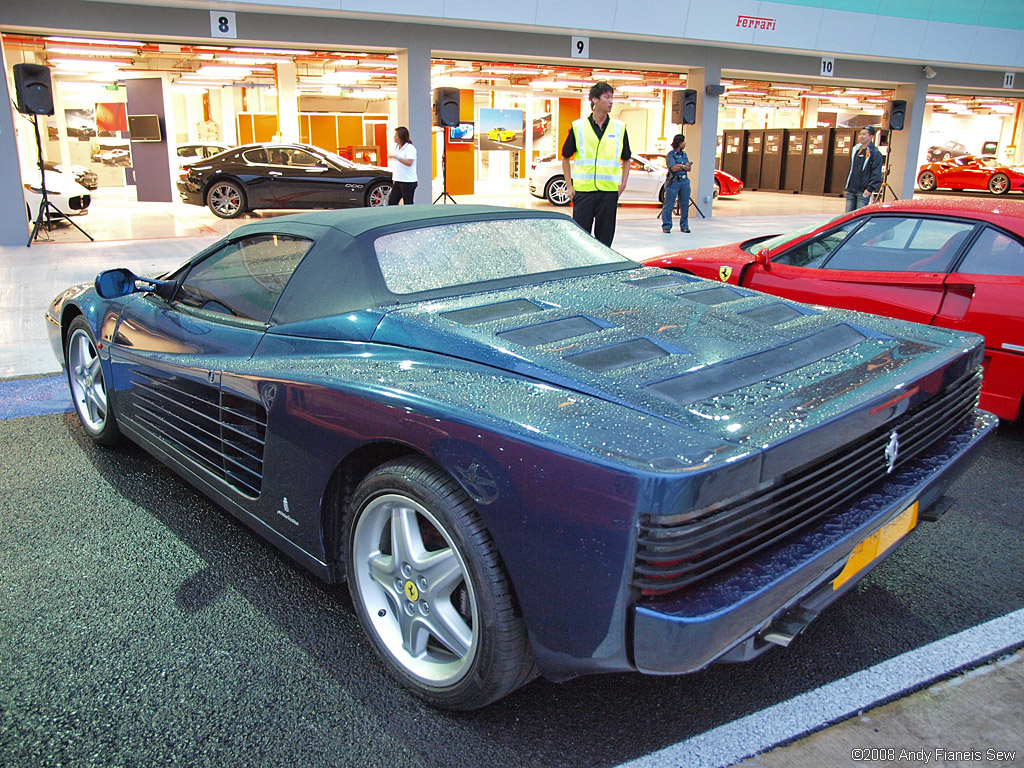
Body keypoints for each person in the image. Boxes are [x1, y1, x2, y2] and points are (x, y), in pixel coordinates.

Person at [560, 81, 631, 247]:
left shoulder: (619, 128)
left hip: (608, 193)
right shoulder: (578, 127)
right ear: (594, 100)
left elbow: (627, 157)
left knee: (605, 241)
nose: (611, 101)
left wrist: (624, 184)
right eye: (606, 97)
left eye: (612, 97)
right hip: (583, 193)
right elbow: (565, 156)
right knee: (580, 240)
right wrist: (569, 186)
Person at [845, 126, 883, 211]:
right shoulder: (856, 150)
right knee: (847, 217)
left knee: (858, 217)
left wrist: (870, 189)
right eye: (860, 134)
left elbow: (876, 173)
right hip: (851, 190)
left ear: (871, 136)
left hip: (862, 192)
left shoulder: (875, 153)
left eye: (864, 134)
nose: (861, 136)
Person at [661, 134, 692, 233]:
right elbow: (673, 168)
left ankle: (684, 226)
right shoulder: (671, 155)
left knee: (684, 204)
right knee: (669, 204)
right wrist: (683, 166)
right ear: (679, 143)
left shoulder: (684, 154)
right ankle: (666, 226)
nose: (685, 143)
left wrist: (681, 166)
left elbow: (689, 168)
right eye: (683, 141)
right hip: (674, 181)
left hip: (684, 181)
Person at [388, 126, 417, 205]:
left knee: (408, 202)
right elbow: (397, 166)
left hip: (408, 181)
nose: (394, 137)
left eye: (396, 135)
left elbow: (409, 162)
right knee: (392, 202)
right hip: (398, 180)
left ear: (401, 136)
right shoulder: (397, 147)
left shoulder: (410, 148)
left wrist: (397, 157)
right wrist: (395, 177)